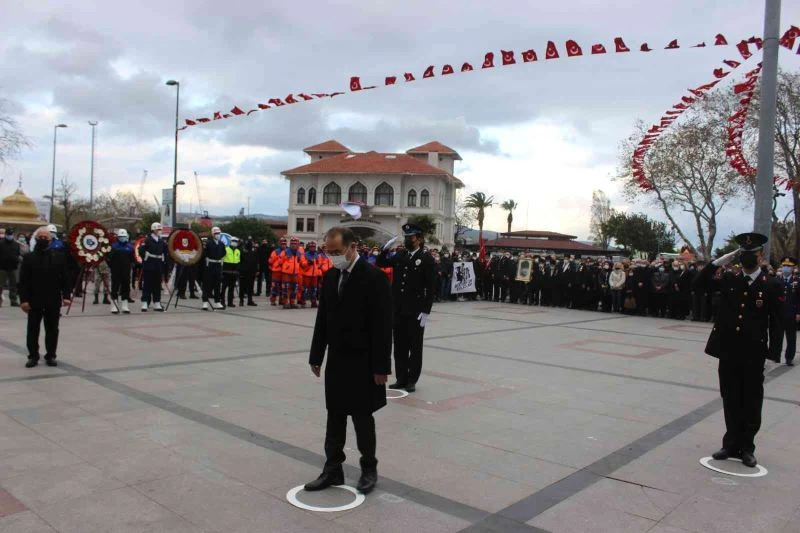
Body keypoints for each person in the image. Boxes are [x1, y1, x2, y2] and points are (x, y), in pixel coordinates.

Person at [305, 226, 392, 495]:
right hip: (337, 360)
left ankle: (369, 469)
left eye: (336, 252)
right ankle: (333, 468)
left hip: (364, 362)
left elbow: (382, 326)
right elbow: (323, 318)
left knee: (362, 418)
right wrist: (316, 355)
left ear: (352, 247)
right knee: (335, 416)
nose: (332, 257)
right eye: (328, 252)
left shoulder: (374, 277)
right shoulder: (331, 276)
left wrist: (381, 367)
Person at [693, 232, 782, 468]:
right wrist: (717, 262)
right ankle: (730, 444)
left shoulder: (771, 284)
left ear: (760, 256)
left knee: (751, 400)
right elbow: (698, 284)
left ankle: (747, 447)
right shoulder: (730, 279)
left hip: (753, 353)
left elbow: (777, 322)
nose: (746, 258)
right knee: (730, 397)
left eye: (751, 254)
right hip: (729, 351)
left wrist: (773, 354)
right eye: (743, 254)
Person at [377, 223, 436, 393]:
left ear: (419, 239)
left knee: (415, 346)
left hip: (416, 310)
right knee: (400, 345)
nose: (408, 240)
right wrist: (384, 250)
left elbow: (431, 287)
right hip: (398, 309)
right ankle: (401, 378)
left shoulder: (426, 258)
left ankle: (412, 379)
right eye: (406, 237)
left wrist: (426, 311)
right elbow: (381, 263)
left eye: (411, 237)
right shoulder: (401, 255)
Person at [18, 226, 72, 368]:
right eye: (40, 237)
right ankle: (33, 356)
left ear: (50, 240)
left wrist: (67, 296)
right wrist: (23, 300)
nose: (43, 239)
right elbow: (23, 281)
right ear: (36, 239)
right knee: (33, 329)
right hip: (34, 299)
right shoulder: (29, 258)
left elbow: (65, 279)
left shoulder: (59, 257)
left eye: (45, 238)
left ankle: (51, 355)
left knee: (52, 329)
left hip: (53, 299)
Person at [138, 222, 167, 312]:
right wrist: (145, 257)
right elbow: (141, 250)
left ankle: (157, 302)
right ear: (153, 230)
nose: (159, 231)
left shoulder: (161, 241)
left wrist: (164, 261)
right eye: (158, 229)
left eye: (160, 229)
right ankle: (145, 302)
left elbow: (165, 252)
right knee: (147, 284)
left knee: (157, 285)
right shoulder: (147, 240)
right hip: (149, 264)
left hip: (158, 265)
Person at [776, 257, 799, 366]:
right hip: (779, 314)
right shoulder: (777, 280)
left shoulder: (797, 281)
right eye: (784, 266)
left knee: (791, 338)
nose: (786, 268)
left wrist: (798, 312)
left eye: (789, 266)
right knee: (777, 336)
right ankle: (776, 355)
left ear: (793, 268)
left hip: (791, 314)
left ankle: (789, 357)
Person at [108, 229, 133, 314]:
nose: (123, 238)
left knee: (126, 287)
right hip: (116, 270)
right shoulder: (114, 246)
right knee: (115, 287)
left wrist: (131, 265)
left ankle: (125, 305)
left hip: (126, 270)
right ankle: (114, 305)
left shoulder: (130, 247)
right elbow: (109, 259)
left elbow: (132, 259)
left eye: (124, 236)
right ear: (118, 237)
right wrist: (113, 267)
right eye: (121, 237)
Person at [202, 227, 226, 311]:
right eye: (216, 233)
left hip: (218, 265)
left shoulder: (221, 244)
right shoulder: (208, 243)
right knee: (207, 284)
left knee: (217, 284)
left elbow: (224, 253)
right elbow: (204, 253)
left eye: (219, 233)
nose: (218, 235)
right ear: (212, 234)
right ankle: (205, 301)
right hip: (210, 264)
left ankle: (217, 301)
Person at [0, 227, 22, 307]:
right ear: (6, 234)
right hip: (2, 267)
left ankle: (13, 301)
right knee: (0, 285)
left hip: (13, 267)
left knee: (13, 285)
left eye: (11, 234)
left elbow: (18, 254)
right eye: (8, 234)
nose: (9, 236)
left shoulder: (16, 244)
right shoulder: (1, 243)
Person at [280, 237, 303, 309]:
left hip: (295, 273)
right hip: (286, 273)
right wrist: (286, 267)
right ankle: (286, 303)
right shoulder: (285, 252)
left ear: (297, 244)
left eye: (295, 244)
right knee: (286, 288)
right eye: (292, 243)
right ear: (290, 244)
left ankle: (292, 303)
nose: (293, 245)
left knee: (294, 288)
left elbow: (300, 262)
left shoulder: (299, 253)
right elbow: (280, 262)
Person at [221, 236, 241, 308]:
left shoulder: (238, 251)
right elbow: (222, 260)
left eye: (236, 242)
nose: (235, 243)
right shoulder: (226, 249)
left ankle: (230, 302)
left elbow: (238, 261)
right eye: (233, 241)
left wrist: (237, 270)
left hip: (234, 272)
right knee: (224, 288)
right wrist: (221, 271)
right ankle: (222, 301)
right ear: (231, 242)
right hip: (226, 271)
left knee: (231, 288)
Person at [239, 238, 258, 307]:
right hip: (243, 272)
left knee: (250, 287)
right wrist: (239, 271)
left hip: (251, 272)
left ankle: (249, 301)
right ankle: (241, 301)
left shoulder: (253, 252)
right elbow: (239, 262)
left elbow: (255, 262)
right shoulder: (242, 252)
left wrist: (256, 270)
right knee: (242, 287)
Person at [268, 237, 287, 306]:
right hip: (276, 272)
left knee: (283, 287)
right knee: (274, 287)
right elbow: (270, 261)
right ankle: (273, 300)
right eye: (282, 244)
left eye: (284, 244)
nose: (283, 245)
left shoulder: (288, 252)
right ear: (280, 244)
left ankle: (281, 300)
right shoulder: (275, 252)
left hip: (284, 272)